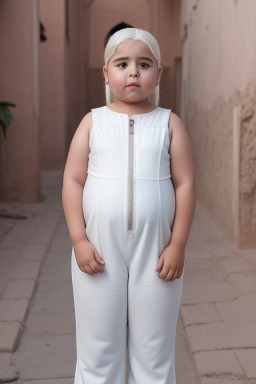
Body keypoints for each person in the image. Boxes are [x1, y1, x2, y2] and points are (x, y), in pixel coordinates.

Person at [62, 27, 196, 384]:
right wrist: (79, 239)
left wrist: (178, 244)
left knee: (153, 349)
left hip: (157, 254)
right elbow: (73, 181)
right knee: (97, 348)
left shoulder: (169, 124)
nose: (133, 71)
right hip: (98, 251)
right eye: (122, 63)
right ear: (106, 73)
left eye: (144, 63)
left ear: (159, 73)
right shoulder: (92, 123)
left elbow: (184, 185)